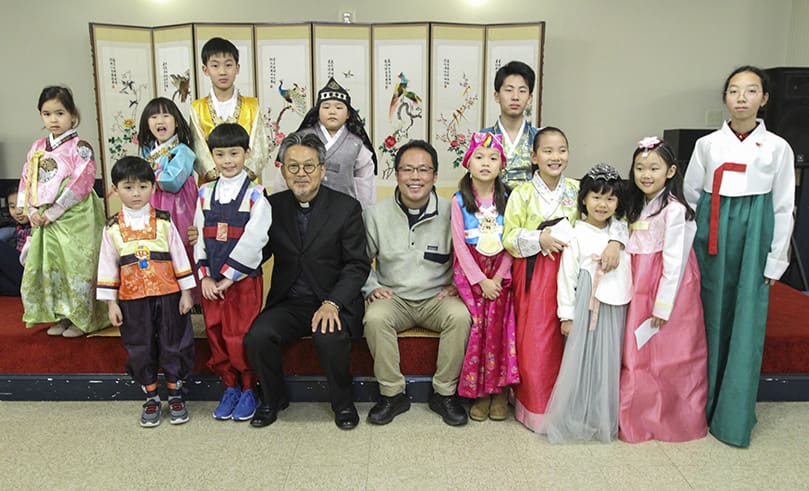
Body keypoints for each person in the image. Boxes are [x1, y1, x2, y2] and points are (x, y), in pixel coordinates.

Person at [683, 66, 795, 447]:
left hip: (754, 236)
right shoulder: (708, 145)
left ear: (764, 98)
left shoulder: (778, 147)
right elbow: (693, 194)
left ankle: (732, 415)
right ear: (725, 98)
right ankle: (700, 404)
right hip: (712, 233)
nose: (742, 98)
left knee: (746, 319)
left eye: (751, 91)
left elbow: (783, 207)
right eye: (734, 90)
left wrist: (776, 259)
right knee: (707, 317)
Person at [502, 127, 626, 432]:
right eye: (547, 151)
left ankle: (569, 406)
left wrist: (615, 242)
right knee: (537, 340)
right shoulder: (521, 193)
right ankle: (537, 408)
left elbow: (612, 217)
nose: (555, 157)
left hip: (575, 273)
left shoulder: (577, 188)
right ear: (533, 157)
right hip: (537, 271)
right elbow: (509, 236)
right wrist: (539, 238)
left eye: (561, 150)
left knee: (568, 341)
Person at [244, 132, 370, 430]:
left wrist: (333, 302)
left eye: (309, 166)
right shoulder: (271, 206)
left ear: (322, 170)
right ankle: (273, 400)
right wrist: (216, 249)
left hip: (332, 299)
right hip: (290, 301)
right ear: (283, 170)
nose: (301, 174)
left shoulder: (346, 207)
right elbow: (257, 253)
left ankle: (343, 403)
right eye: (293, 167)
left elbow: (357, 265)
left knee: (330, 337)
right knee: (258, 336)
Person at [363, 139, 472, 426]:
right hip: (394, 298)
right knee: (374, 318)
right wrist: (372, 287)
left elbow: (467, 258)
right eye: (407, 169)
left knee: (460, 316)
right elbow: (359, 262)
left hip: (437, 298)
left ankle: (444, 393)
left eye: (423, 170)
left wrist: (458, 286)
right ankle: (392, 394)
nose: (415, 177)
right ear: (396, 174)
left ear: (435, 176)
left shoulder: (453, 212)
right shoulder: (375, 214)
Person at [619, 137, 708, 443]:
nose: (646, 174)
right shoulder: (636, 205)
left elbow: (675, 261)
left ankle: (669, 418)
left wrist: (663, 304)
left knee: (669, 355)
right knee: (635, 353)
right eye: (640, 167)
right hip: (637, 281)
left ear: (670, 171)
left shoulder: (675, 210)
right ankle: (635, 416)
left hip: (664, 288)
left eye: (654, 168)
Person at [97, 157, 196, 427]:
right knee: (139, 346)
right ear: (116, 190)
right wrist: (111, 303)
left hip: (168, 295)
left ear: (153, 187)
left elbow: (179, 255)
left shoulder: (164, 221)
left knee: (174, 341)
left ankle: (175, 393)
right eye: (128, 187)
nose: (136, 193)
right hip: (131, 299)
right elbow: (107, 264)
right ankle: (151, 396)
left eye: (143, 186)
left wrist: (187, 293)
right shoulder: (112, 228)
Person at [540, 164, 631, 443]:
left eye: (610, 198)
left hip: (614, 302)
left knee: (608, 360)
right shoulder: (573, 231)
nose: (602, 204)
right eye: (596, 197)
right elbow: (566, 277)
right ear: (583, 199)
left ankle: (600, 416)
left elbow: (623, 230)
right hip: (585, 301)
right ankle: (575, 415)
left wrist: (616, 240)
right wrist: (566, 315)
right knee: (581, 360)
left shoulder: (621, 230)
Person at [193, 123, 272, 422]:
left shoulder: (255, 195)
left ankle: (249, 387)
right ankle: (229, 386)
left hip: (242, 282)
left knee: (241, 335)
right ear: (211, 155)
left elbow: (255, 240)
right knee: (215, 334)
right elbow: (199, 235)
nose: (227, 161)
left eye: (234, 153)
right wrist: (206, 277)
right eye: (220, 154)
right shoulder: (204, 193)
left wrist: (228, 277)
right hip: (213, 283)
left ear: (247, 153)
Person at [17, 86, 108, 337]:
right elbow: (28, 178)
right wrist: (31, 209)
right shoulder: (37, 146)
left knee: (77, 265)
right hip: (44, 218)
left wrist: (54, 211)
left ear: (72, 114)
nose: (53, 119)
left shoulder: (81, 147)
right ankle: (60, 314)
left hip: (75, 216)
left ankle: (82, 318)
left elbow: (82, 182)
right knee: (51, 265)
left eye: (60, 113)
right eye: (47, 114)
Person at [451, 132, 519, 421]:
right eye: (479, 157)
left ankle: (500, 392)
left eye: (493, 158)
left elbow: (513, 241)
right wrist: (480, 280)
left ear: (501, 165)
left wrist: (500, 277)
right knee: (478, 329)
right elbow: (458, 245)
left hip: (501, 275)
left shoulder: (511, 198)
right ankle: (479, 393)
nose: (486, 163)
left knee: (501, 331)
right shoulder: (458, 200)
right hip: (472, 276)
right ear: (468, 163)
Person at [282, 77, 377, 209]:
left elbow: (365, 187)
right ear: (317, 111)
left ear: (348, 114)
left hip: (344, 212)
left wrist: (365, 213)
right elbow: (284, 176)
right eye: (326, 107)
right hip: (302, 209)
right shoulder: (300, 139)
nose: (332, 111)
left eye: (339, 107)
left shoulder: (357, 145)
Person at [190, 37, 272, 186]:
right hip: (211, 185)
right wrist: (218, 176)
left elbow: (259, 147)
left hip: (246, 184)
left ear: (237, 68)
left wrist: (240, 176)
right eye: (215, 66)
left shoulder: (251, 105)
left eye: (228, 65)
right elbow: (198, 149)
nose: (222, 72)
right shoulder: (197, 108)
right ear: (205, 69)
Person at [137, 97, 198, 281]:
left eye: (166, 115)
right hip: (152, 206)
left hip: (179, 208)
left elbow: (172, 181)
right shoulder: (147, 151)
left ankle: (188, 294)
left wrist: (148, 176)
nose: (160, 121)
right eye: (154, 117)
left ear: (177, 122)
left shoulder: (183, 151)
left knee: (179, 246)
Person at [480, 61, 539, 191]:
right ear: (497, 96)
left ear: (529, 98)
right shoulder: (484, 137)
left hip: (529, 208)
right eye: (509, 90)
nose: (515, 97)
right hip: (492, 207)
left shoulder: (539, 138)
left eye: (522, 91)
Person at [0, 188, 31, 296]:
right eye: (12, 207)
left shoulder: (40, 227)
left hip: (32, 275)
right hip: (20, 283)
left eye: (22, 206)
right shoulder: (18, 228)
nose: (18, 211)